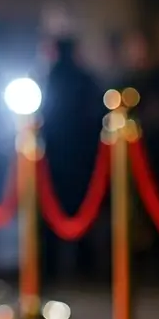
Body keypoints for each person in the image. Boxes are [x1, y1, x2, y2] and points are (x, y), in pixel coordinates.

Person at [39, 36, 105, 278]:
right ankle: (83, 267)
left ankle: (52, 268)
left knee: (63, 212)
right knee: (76, 210)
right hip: (77, 158)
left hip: (62, 157)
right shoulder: (82, 79)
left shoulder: (51, 79)